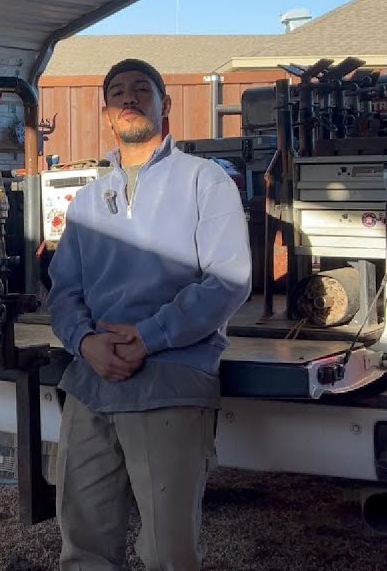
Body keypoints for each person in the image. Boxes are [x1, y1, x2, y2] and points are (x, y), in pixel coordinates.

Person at [46, 58, 253, 571]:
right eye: (118, 92)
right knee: (83, 543)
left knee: (167, 550)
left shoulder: (206, 182)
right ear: (107, 115)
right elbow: (63, 290)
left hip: (171, 378)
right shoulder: (89, 202)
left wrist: (150, 336)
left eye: (142, 88)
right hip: (91, 380)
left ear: (167, 105)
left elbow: (228, 278)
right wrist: (84, 343)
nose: (129, 97)